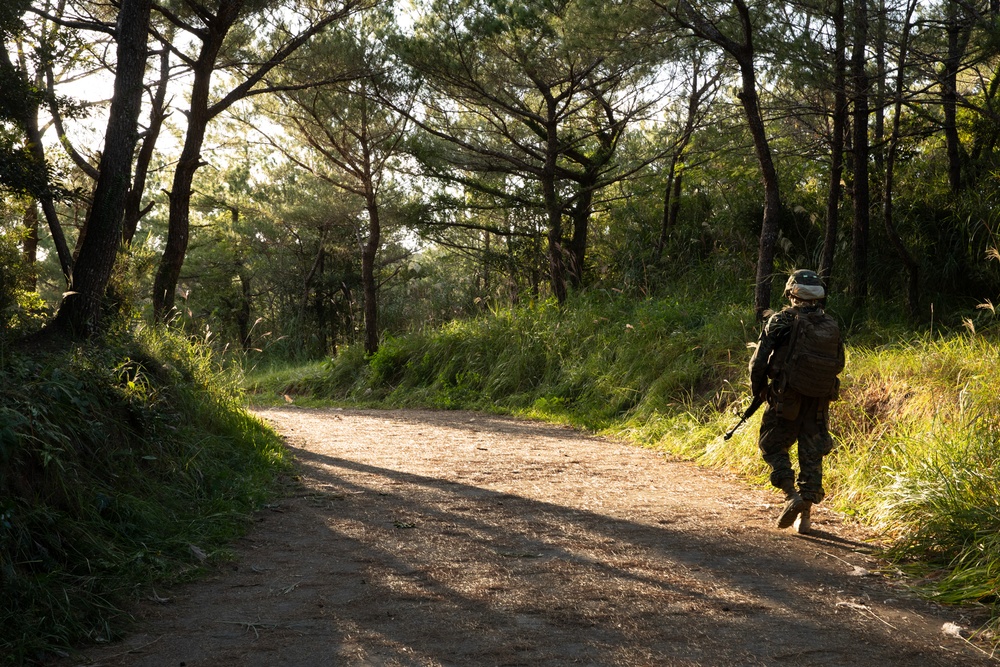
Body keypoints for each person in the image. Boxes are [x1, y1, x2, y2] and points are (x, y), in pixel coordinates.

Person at [748, 269, 845, 534]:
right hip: (819, 402)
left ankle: (791, 494)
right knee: (811, 456)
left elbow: (757, 362)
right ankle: (805, 518)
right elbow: (839, 364)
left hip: (785, 399)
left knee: (771, 446)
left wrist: (759, 390)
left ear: (791, 293)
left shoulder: (781, 321)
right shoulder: (831, 324)